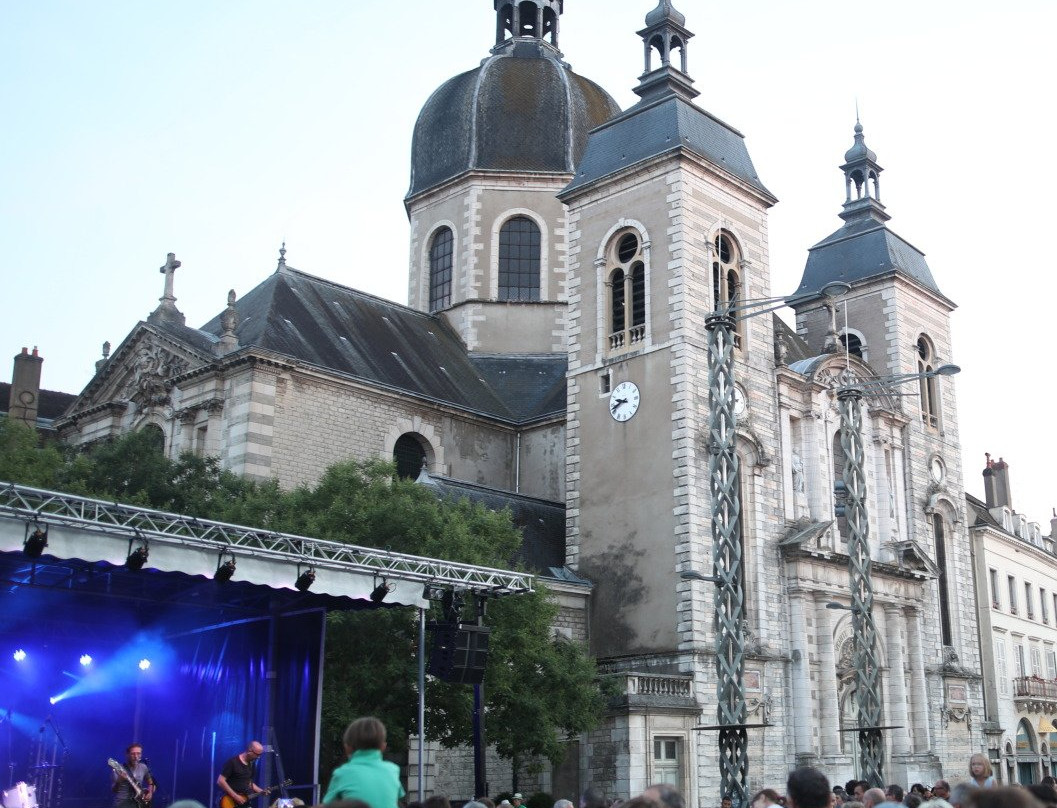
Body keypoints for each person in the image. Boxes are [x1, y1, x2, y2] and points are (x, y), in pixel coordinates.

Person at [323, 716, 404, 808]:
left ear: (347, 748)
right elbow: (397, 797)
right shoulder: (393, 770)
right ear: (383, 747)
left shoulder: (342, 773)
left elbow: (327, 805)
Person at [217, 741, 268, 807]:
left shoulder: (252, 765)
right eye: (257, 754)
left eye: (260, 755)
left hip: (244, 802)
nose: (258, 757)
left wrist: (261, 791)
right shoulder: (233, 762)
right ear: (250, 751)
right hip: (229, 801)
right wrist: (236, 796)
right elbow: (220, 781)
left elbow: (248, 782)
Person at [112, 743, 156, 808]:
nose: (136, 756)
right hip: (122, 804)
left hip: (138, 804)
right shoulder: (119, 769)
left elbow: (151, 783)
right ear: (127, 755)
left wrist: (150, 793)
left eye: (138, 753)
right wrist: (119, 780)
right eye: (133, 754)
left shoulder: (143, 767)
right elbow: (114, 790)